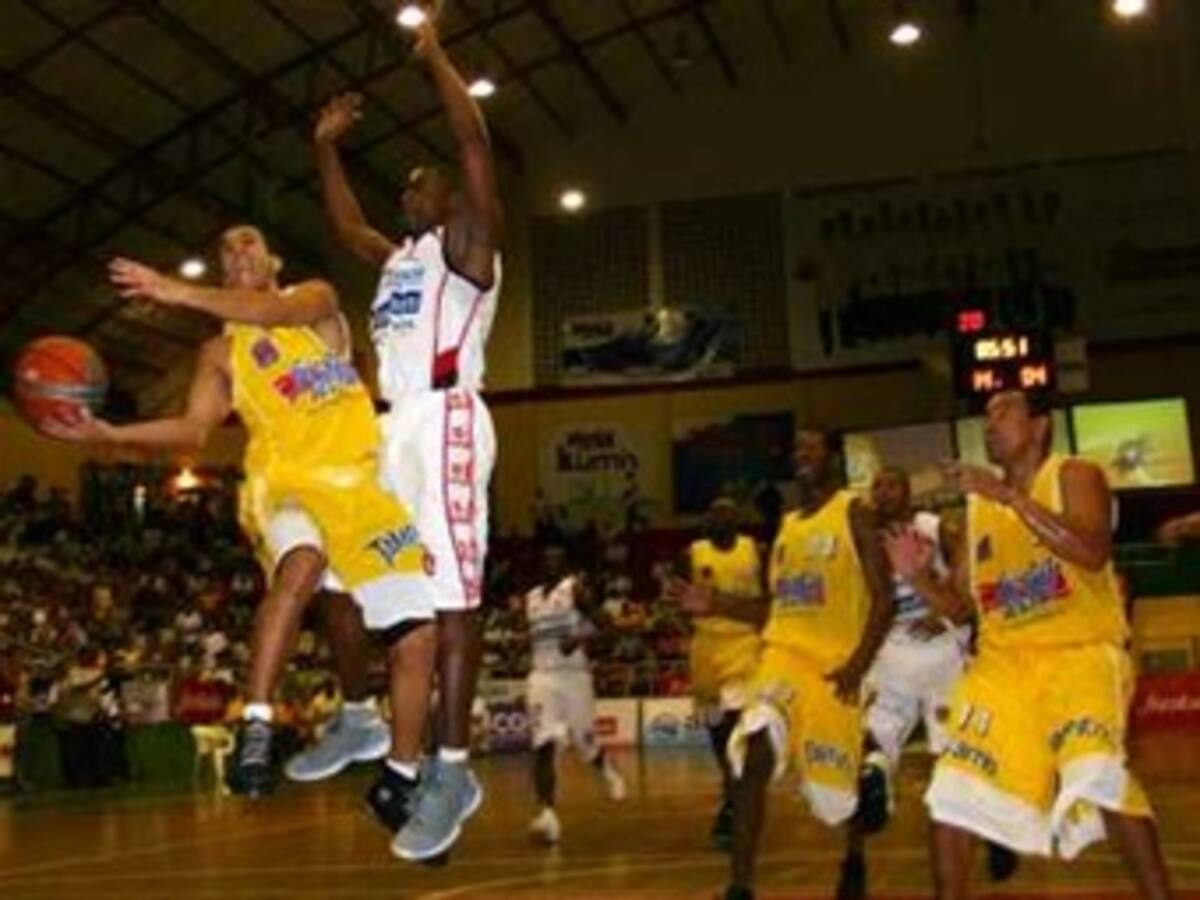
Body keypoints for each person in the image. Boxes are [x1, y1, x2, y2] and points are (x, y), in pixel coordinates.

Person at [45, 226, 437, 820]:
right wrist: (111, 435)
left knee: (400, 630)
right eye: (226, 249)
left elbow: (272, 310)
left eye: (249, 243)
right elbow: (192, 432)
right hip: (283, 483)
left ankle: (385, 752)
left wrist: (175, 291)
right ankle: (257, 724)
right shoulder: (220, 354)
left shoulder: (315, 302)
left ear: (274, 258)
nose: (238, 254)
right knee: (299, 569)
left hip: (359, 485)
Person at [311, 6, 502, 862]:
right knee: (392, 601)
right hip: (396, 431)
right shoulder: (399, 260)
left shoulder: (467, 245)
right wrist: (325, 149)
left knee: (457, 606)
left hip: (448, 418)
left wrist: (434, 59)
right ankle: (399, 747)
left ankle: (452, 770)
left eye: (417, 184)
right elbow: (349, 230)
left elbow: (474, 147)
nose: (407, 193)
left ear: (449, 198)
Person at [885, 390, 1174, 899]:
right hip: (1002, 667)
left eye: (1004, 412)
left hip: (1080, 652)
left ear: (1039, 426)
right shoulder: (978, 506)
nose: (989, 422)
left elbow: (1090, 550)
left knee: (1098, 776)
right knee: (950, 793)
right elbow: (959, 607)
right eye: (987, 414)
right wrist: (917, 576)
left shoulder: (1074, 474)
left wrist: (1010, 498)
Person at [671, 428, 894, 900]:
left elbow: (884, 599)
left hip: (835, 667)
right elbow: (775, 609)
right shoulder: (788, 527)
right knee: (753, 753)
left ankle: (854, 855)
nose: (801, 455)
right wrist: (716, 602)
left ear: (832, 457)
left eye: (811, 447)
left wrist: (858, 665)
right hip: (780, 661)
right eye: (795, 449)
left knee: (838, 792)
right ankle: (739, 887)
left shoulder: (855, 512)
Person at [835, 467, 1016, 899]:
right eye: (875, 486)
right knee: (865, 758)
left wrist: (948, 605)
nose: (881, 493)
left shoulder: (935, 528)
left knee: (953, 764)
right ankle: (854, 858)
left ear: (908, 490)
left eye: (891, 484)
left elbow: (973, 570)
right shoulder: (863, 538)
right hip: (891, 651)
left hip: (941, 654)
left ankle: (990, 834)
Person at [672, 497, 767, 849]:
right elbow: (677, 600)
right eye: (712, 514)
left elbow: (770, 598)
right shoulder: (691, 554)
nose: (718, 519)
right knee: (714, 725)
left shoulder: (755, 550)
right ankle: (731, 789)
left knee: (737, 724)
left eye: (726, 513)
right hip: (705, 649)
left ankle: (736, 796)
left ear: (737, 519)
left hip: (744, 644)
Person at [523, 545, 627, 845]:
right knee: (542, 744)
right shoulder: (530, 599)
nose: (550, 565)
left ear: (565, 566)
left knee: (584, 743)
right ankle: (547, 814)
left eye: (556, 560)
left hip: (574, 677)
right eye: (546, 560)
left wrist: (580, 636)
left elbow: (606, 624)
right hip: (541, 676)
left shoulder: (574, 590)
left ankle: (605, 768)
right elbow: (533, 636)